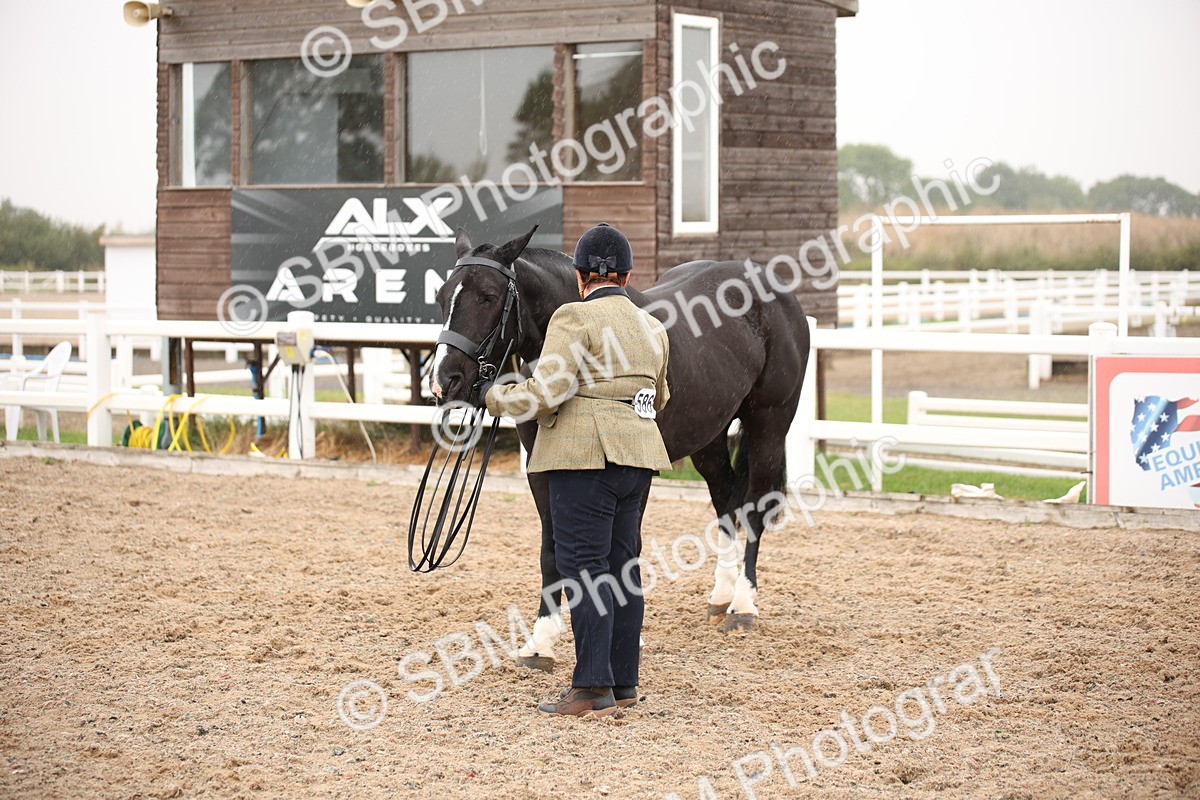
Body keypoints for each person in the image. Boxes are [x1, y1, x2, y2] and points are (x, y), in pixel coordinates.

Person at [472, 223, 671, 717]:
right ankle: (624, 682)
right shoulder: (653, 327)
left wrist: (492, 396)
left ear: (581, 276)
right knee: (624, 569)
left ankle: (590, 688)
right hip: (639, 459)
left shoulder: (572, 317)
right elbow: (660, 397)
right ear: (627, 275)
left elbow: (546, 393)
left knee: (584, 569)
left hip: (582, 459)